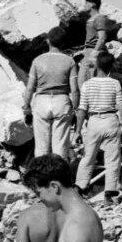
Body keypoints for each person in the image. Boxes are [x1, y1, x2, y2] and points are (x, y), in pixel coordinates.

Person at [74, 51, 122, 199]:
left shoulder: (87, 84)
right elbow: (121, 107)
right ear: (111, 66)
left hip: (94, 121)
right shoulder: (115, 83)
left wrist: (77, 131)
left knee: (88, 156)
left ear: (97, 65)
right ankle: (109, 193)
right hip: (110, 120)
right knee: (113, 159)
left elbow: (82, 109)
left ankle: (80, 187)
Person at [23, 25, 79, 159]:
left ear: (48, 41)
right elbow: (75, 90)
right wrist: (76, 109)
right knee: (60, 147)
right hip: (61, 101)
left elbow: (30, 88)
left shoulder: (38, 60)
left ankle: (41, 171)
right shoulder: (70, 61)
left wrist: (26, 107)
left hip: (41, 101)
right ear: (63, 43)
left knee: (41, 147)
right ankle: (59, 171)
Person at [76, 0, 113, 89]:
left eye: (86, 3)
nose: (84, 5)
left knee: (87, 82)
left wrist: (94, 53)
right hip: (90, 51)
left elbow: (102, 37)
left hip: (94, 52)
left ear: (92, 4)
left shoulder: (99, 18)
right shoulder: (93, 18)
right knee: (84, 81)